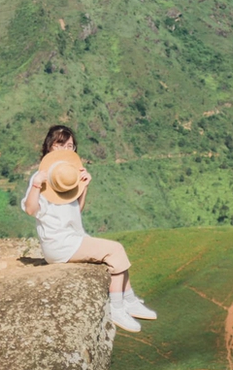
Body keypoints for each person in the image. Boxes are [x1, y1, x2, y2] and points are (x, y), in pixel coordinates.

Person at [21, 124, 157, 332]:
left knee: (116, 254)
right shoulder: (40, 177)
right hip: (59, 245)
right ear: (49, 146)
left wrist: (83, 188)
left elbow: (76, 211)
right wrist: (37, 185)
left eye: (70, 146)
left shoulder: (68, 176)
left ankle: (130, 300)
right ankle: (117, 307)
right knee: (116, 249)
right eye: (60, 144)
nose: (66, 149)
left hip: (72, 239)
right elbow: (31, 209)